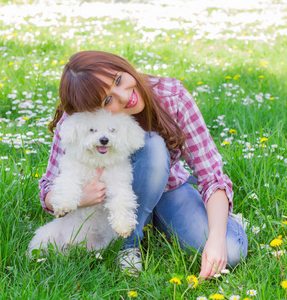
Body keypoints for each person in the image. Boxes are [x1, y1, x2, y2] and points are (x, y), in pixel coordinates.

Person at [39, 50, 248, 279]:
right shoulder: (78, 121)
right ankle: (128, 246)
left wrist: (216, 239)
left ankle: (163, 220)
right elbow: (49, 187)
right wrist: (79, 197)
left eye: (118, 79)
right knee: (152, 146)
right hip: (108, 199)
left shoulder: (172, 95)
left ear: (123, 65)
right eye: (107, 100)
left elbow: (211, 176)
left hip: (168, 189)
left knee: (231, 251)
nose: (124, 95)